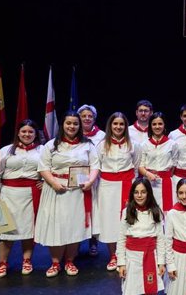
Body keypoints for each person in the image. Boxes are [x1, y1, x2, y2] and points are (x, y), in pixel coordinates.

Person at [35, 111, 100, 277]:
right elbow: (43, 168)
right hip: (56, 189)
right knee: (56, 226)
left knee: (74, 226)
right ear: (63, 125)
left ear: (79, 126)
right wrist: (54, 183)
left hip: (78, 191)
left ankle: (70, 261)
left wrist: (90, 182)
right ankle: (56, 262)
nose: (72, 126)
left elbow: (95, 166)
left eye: (75, 124)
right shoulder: (51, 145)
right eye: (68, 123)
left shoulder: (88, 145)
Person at [0, 119, 44, 277]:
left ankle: (27, 260)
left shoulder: (43, 150)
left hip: (31, 195)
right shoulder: (6, 150)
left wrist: (45, 182)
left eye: (30, 132)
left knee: (28, 231)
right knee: (4, 231)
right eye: (24, 131)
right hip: (7, 194)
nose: (27, 134)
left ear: (35, 134)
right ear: (18, 133)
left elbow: (50, 169)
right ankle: (2, 262)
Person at [96, 112, 140, 271]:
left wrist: (133, 186)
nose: (118, 127)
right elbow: (97, 166)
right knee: (109, 222)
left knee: (129, 220)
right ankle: (113, 256)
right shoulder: (101, 145)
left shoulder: (133, 144)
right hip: (107, 187)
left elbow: (136, 165)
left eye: (121, 124)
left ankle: (128, 254)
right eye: (115, 124)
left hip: (128, 185)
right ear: (110, 125)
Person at [116, 178, 165, 295]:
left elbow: (160, 239)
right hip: (132, 258)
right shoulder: (127, 211)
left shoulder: (156, 212)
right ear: (132, 194)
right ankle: (131, 291)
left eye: (143, 192)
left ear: (148, 193)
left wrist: (161, 263)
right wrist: (121, 263)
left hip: (149, 256)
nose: (139, 195)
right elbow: (121, 239)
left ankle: (147, 292)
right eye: (136, 192)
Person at [77, 104, 105, 257]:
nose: (87, 118)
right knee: (78, 209)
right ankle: (75, 242)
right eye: (83, 116)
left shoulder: (102, 136)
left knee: (93, 210)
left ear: (94, 118)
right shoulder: (73, 132)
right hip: (78, 176)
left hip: (96, 177)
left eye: (90, 116)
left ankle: (93, 241)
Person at [139, 112, 178, 215]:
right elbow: (140, 166)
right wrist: (148, 174)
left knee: (167, 213)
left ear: (164, 125)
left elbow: (174, 164)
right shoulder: (144, 145)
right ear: (150, 126)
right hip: (149, 182)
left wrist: (164, 175)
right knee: (149, 211)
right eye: (154, 124)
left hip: (166, 183)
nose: (157, 127)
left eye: (160, 124)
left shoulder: (172, 144)